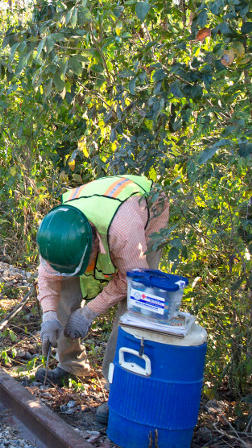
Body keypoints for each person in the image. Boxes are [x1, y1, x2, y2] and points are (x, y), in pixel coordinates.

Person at [34, 174, 169, 425]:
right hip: (105, 212)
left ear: (95, 242)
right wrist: (49, 316)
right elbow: (49, 277)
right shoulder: (55, 230)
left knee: (136, 303)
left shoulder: (124, 232)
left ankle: (120, 391)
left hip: (147, 210)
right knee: (63, 286)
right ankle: (71, 365)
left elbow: (133, 279)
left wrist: (89, 312)